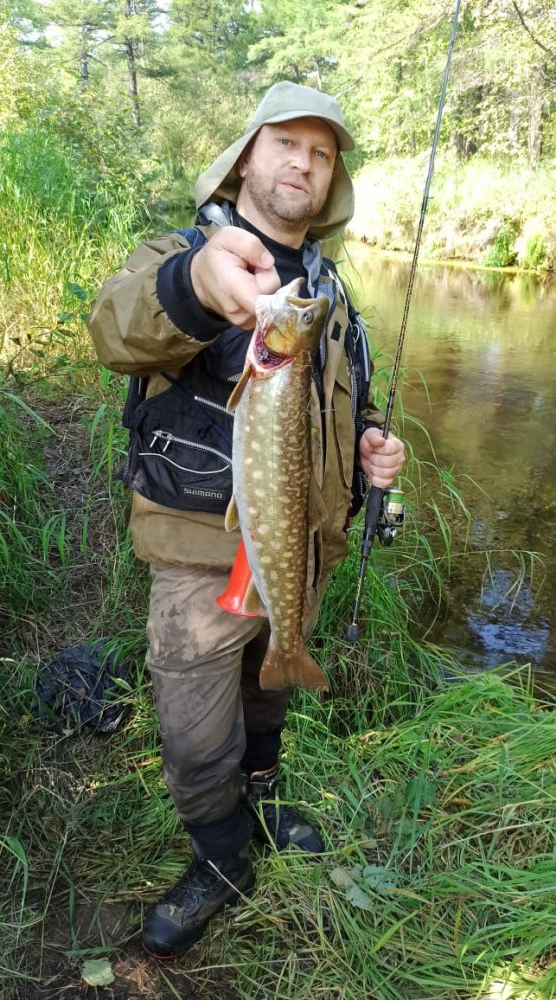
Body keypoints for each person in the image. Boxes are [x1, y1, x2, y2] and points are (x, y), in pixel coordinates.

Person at [88, 81, 405, 959]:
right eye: (286, 143)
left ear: (332, 178)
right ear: (246, 158)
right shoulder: (184, 253)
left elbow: (350, 400)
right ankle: (222, 858)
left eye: (322, 152)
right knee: (196, 737)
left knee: (270, 693)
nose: (304, 162)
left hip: (301, 543)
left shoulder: (330, 296)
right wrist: (197, 283)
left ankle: (262, 800)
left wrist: (373, 441)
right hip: (200, 557)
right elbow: (114, 329)